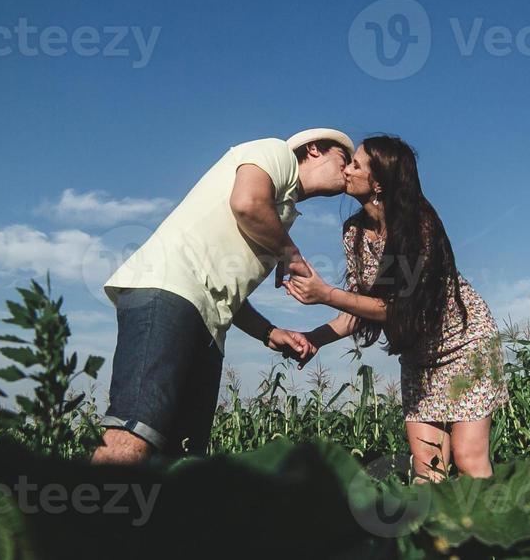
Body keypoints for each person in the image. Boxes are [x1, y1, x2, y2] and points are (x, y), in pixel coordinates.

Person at [90, 128, 355, 464]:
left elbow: (226, 290)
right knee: (135, 431)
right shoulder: (276, 153)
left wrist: (268, 332)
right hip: (169, 287)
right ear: (314, 149)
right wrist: (293, 256)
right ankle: (87, 514)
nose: (349, 170)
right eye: (344, 159)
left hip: (206, 319)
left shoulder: (281, 216)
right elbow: (246, 202)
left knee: (181, 455)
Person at [284, 135, 507, 481]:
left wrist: (325, 293)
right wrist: (313, 339)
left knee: (467, 459)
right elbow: (359, 308)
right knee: (427, 468)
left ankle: (494, 533)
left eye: (356, 164)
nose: (346, 169)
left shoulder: (420, 227)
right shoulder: (353, 233)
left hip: (465, 344)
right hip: (419, 358)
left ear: (378, 184)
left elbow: (396, 310)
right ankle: (433, 536)